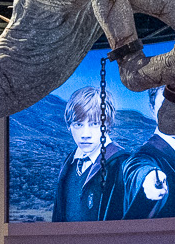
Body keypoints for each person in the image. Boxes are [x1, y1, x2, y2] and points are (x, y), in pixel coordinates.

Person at [116, 88, 175, 219]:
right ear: (152, 108)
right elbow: (136, 166)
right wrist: (148, 177)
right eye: (164, 105)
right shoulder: (146, 153)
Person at [51, 86, 126, 221]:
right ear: (69, 126)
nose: (85, 134)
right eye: (78, 125)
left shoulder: (120, 163)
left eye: (94, 124)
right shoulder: (69, 163)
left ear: (107, 124)